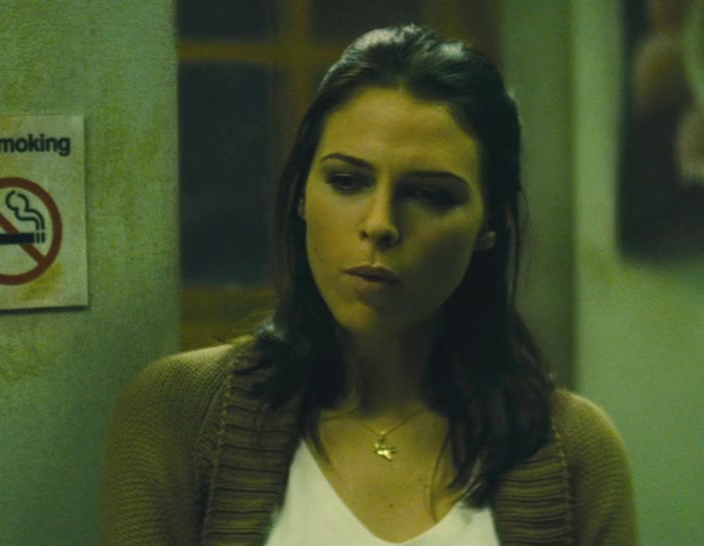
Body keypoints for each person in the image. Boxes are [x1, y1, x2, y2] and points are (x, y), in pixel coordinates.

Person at [101, 25, 636, 545]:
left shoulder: (572, 448)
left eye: (430, 194)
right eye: (347, 181)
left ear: (489, 224)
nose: (380, 223)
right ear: (301, 195)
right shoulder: (179, 413)